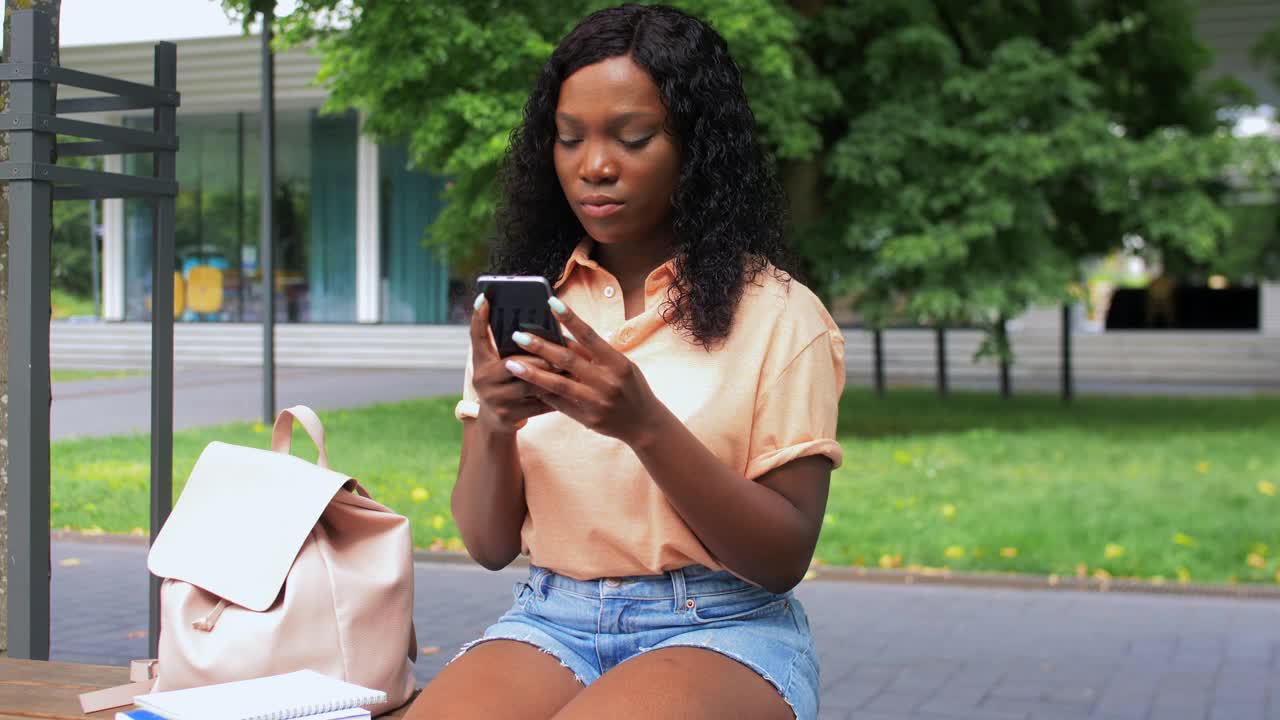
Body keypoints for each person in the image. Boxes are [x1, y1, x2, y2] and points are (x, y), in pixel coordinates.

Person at [406, 5, 844, 719]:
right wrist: (493, 419)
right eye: (569, 139)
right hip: (550, 617)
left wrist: (642, 424)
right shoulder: (534, 308)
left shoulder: (781, 316)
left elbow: (780, 557)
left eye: (633, 138)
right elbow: (487, 545)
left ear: (696, 148)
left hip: (724, 626)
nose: (595, 166)